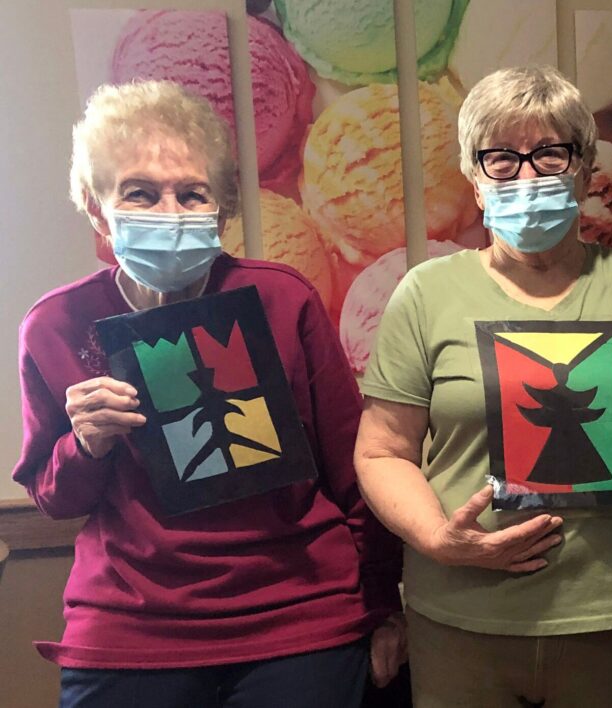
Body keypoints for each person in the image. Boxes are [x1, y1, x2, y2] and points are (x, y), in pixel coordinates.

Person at [13, 80, 405, 708]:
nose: (169, 214)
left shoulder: (281, 299)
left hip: (299, 614)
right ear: (95, 206)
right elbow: (54, 497)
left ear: (221, 212)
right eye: (139, 193)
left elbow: (354, 467)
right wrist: (87, 444)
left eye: (191, 194)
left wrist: (383, 605)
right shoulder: (57, 324)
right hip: (130, 626)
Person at [354, 65, 612, 708]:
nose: (527, 177)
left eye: (549, 153)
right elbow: (382, 450)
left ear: (583, 169)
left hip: (606, 617)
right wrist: (437, 538)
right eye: (501, 158)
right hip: (458, 620)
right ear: (474, 180)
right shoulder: (426, 293)